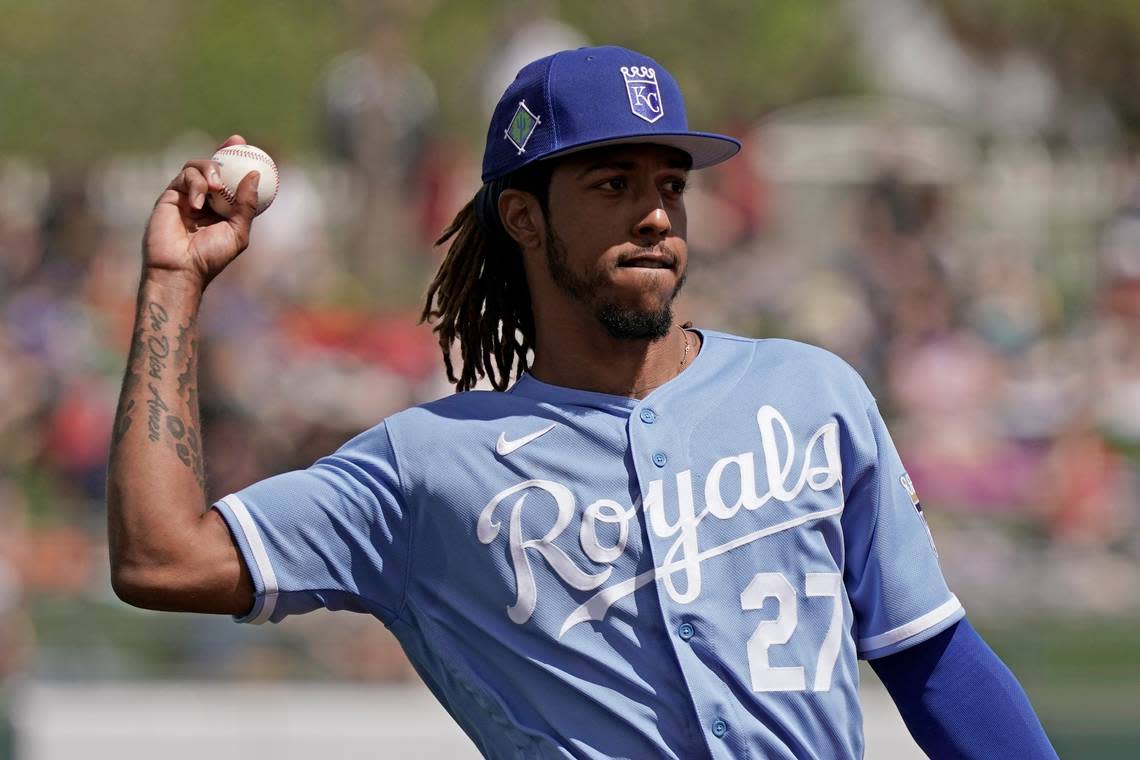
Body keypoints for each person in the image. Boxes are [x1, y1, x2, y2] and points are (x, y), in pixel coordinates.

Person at [107, 46, 1057, 759]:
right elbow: (161, 558)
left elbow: (931, 661)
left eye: (670, 185)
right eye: (612, 183)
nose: (656, 212)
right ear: (524, 215)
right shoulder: (427, 465)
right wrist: (172, 284)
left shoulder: (811, 395)